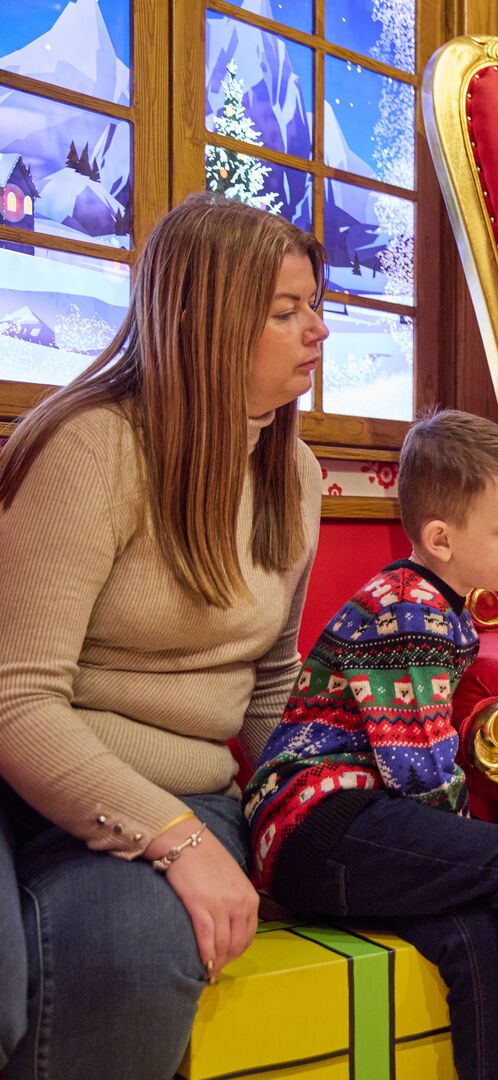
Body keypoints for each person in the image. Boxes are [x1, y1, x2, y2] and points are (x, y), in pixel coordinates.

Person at [0, 193, 326, 1079]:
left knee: (132, 953)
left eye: (314, 305)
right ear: (206, 323)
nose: (318, 330)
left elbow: (271, 680)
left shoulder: (294, 473)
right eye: (286, 311)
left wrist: (324, 793)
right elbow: (17, 699)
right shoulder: (90, 447)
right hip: (37, 784)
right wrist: (174, 839)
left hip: (185, 790)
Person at [244, 409, 498, 1080]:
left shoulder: (435, 603)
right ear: (441, 538)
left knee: (475, 934)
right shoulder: (409, 612)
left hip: (333, 836)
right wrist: (477, 848)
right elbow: (416, 767)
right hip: (318, 824)